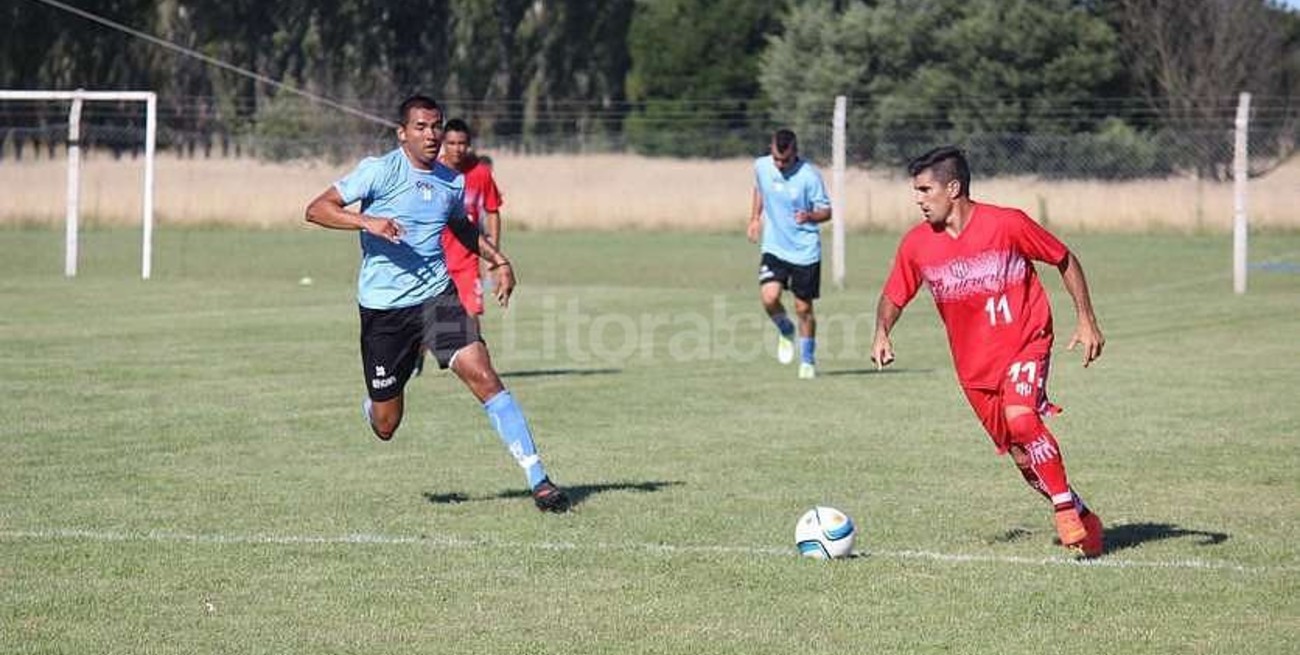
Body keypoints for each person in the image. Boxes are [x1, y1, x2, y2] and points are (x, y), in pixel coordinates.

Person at [304, 95, 570, 513]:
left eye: (436, 126)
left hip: (436, 298)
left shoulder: (451, 181)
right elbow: (317, 209)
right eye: (421, 127)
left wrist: (498, 259)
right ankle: (375, 403)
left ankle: (539, 481)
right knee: (387, 424)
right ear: (402, 133)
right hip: (385, 311)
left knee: (484, 376)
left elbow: (462, 227)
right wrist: (367, 221)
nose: (431, 135)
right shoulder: (378, 171)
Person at [870, 145, 1105, 556]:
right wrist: (882, 332)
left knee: (1022, 418)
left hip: (1027, 342)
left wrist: (1086, 319)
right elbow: (894, 294)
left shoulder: (1007, 224)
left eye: (925, 190)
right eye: (916, 191)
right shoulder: (917, 244)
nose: (918, 199)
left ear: (953, 188)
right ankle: (1085, 516)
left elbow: (1064, 258)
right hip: (974, 369)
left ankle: (1065, 510)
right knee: (1021, 456)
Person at [747, 129, 832, 379]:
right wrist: (755, 218)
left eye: (785, 160)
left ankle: (807, 360)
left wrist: (810, 215)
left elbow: (827, 211)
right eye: (776, 158)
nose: (780, 164)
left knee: (803, 308)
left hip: (805, 251)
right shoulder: (762, 167)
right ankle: (785, 329)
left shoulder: (809, 176)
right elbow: (760, 188)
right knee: (769, 298)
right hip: (775, 247)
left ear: (795, 152)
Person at [438, 118, 504, 323]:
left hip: (468, 262)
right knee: (432, 326)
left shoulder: (481, 173)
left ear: (469, 144)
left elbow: (492, 211)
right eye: (451, 143)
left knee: (470, 320)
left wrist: (493, 256)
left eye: (462, 143)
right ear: (443, 143)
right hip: (435, 261)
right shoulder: (431, 171)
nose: (457, 149)